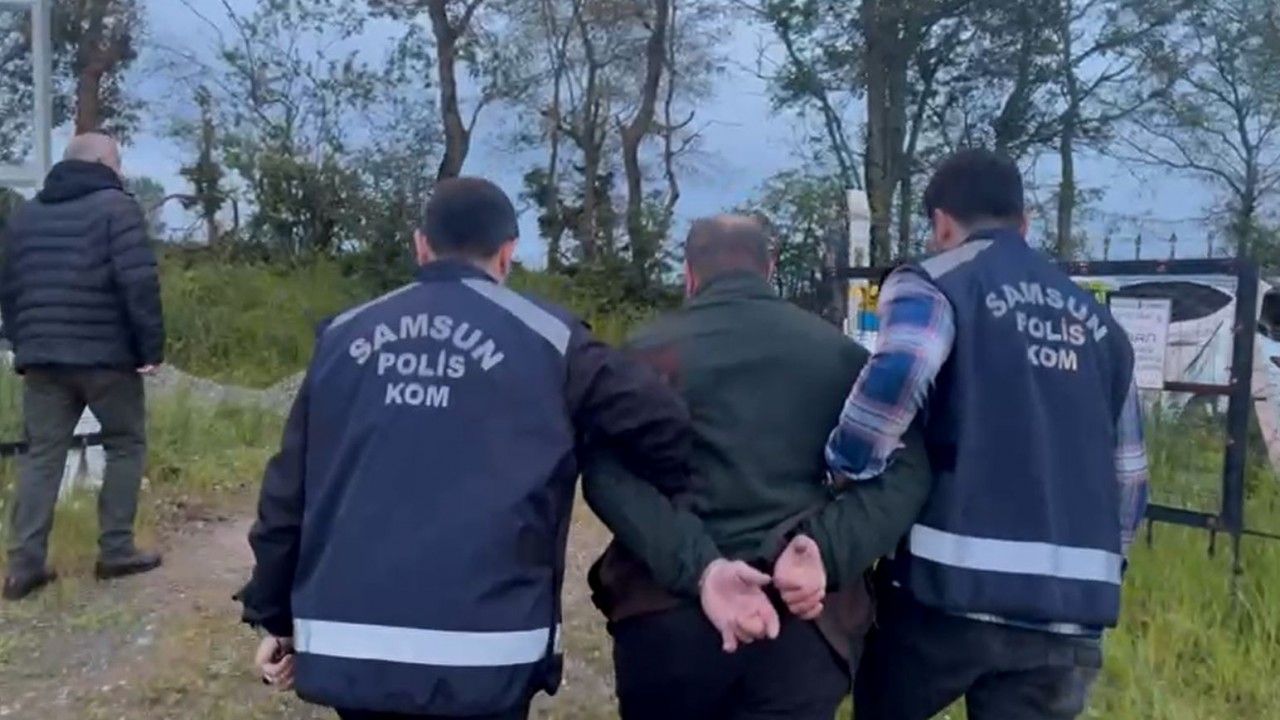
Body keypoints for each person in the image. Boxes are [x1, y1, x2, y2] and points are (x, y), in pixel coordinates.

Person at [238, 179, 775, 720]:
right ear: (508, 252)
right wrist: (615, 462)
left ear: (421, 245)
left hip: (351, 648)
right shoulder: (552, 340)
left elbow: (287, 495)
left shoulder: (342, 336)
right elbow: (663, 424)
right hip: (490, 654)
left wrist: (275, 616)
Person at [827, 149, 1150, 720]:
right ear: (1025, 223)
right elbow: (1129, 476)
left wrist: (843, 467)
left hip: (945, 594)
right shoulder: (1100, 325)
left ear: (941, 223)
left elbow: (901, 370)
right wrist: (1098, 571)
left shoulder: (935, 282)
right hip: (1068, 613)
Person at [583, 215, 934, 720]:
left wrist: (700, 567)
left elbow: (605, 473)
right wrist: (825, 549)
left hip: (664, 622)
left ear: (689, 274)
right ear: (769, 269)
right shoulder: (843, 357)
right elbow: (906, 470)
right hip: (803, 628)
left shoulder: (643, 355)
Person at [1, 133, 166, 602]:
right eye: (118, 161)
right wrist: (149, 349)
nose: (122, 171)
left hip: (42, 358)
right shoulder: (117, 208)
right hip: (106, 356)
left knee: (41, 455)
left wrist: (22, 342)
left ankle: (23, 566)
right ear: (102, 163)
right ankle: (116, 550)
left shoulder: (27, 214)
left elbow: (8, 284)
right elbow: (138, 282)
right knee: (125, 443)